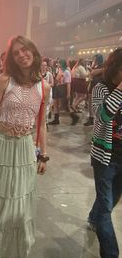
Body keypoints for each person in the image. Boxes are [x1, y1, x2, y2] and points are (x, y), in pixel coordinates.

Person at [0, 35, 50, 258]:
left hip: (24, 147)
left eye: (24, 50)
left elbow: (42, 124)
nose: (22, 55)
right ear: (11, 58)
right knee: (0, 191)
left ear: (33, 51)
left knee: (20, 194)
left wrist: (44, 155)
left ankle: (16, 238)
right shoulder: (5, 80)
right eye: (16, 53)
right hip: (1, 143)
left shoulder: (45, 86)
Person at [88, 47, 122, 258]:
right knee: (106, 207)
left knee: (111, 199)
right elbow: (102, 117)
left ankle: (93, 218)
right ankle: (111, 254)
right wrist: (120, 89)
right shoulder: (100, 87)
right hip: (105, 157)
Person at [84, 54, 103, 126]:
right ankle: (91, 118)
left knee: (97, 104)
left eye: (95, 59)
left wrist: (92, 70)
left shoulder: (102, 67)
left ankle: (97, 119)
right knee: (90, 103)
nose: (94, 60)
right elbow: (91, 76)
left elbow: (93, 73)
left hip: (98, 86)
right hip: (92, 85)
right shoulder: (95, 66)